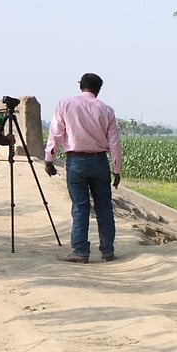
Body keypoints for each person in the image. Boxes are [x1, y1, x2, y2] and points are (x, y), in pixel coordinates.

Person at [44, 73, 123, 263]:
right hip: (99, 162)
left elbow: (56, 133)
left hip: (76, 162)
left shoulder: (65, 104)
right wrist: (116, 169)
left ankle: (80, 251)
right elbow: (114, 142)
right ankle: (107, 250)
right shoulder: (107, 110)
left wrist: (49, 159)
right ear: (98, 89)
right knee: (104, 206)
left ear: (81, 85)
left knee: (80, 206)